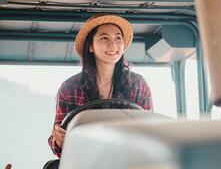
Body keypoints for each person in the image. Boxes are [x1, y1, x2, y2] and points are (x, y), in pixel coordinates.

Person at [48, 14, 153, 157]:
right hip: (84, 162)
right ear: (90, 46)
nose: (113, 44)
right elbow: (57, 139)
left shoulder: (138, 85)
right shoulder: (69, 88)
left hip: (127, 162)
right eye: (104, 38)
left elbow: (150, 133)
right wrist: (59, 140)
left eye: (118, 38)